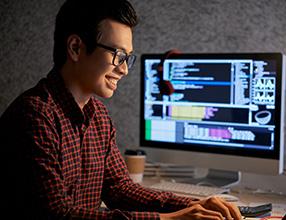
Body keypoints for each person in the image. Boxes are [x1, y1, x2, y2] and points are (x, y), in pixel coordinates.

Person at [0, 0, 242, 219]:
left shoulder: (99, 117)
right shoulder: (34, 115)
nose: (125, 70)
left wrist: (196, 204)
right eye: (118, 55)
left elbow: (119, 190)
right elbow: (58, 214)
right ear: (75, 48)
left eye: (128, 58)